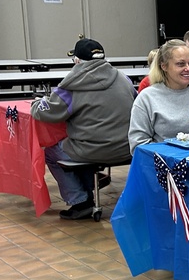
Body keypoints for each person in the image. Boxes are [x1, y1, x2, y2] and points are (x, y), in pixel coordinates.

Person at [31, 39, 136, 219]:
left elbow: (47, 111)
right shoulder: (123, 78)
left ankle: (80, 201)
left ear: (77, 61)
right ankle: (91, 183)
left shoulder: (73, 86)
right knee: (78, 145)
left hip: (91, 150)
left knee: (52, 152)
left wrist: (36, 103)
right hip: (127, 148)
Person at [129, 39, 189, 150]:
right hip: (166, 165)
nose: (188, 69)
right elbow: (138, 145)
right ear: (164, 66)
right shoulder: (147, 98)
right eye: (180, 64)